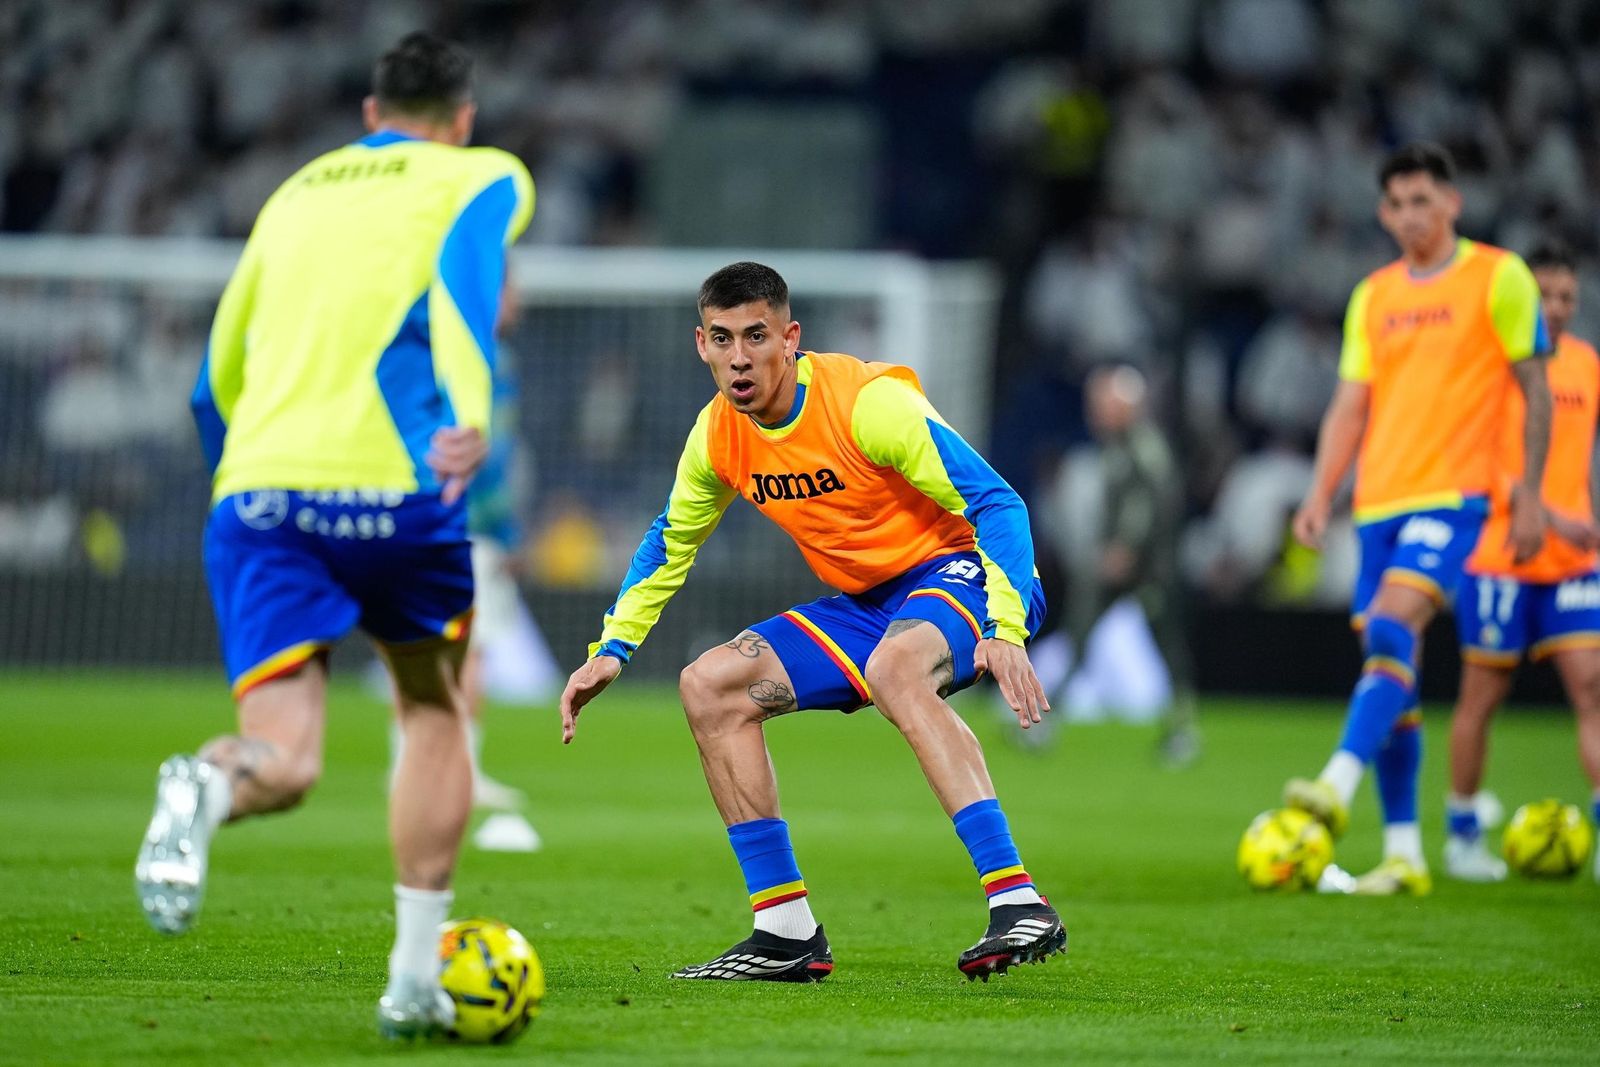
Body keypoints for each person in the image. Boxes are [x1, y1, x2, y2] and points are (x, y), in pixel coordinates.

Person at [132, 32, 534, 1038]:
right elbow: (465, 288)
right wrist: (469, 418)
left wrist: (245, 480)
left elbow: (213, 373)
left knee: (286, 754)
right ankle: (410, 979)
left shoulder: (294, 192)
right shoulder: (482, 173)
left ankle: (210, 782)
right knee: (433, 705)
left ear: (369, 113)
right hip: (397, 487)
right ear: (464, 117)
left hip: (261, 492)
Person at [558, 262, 1064, 982]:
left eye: (757, 335)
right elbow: (669, 540)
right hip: (866, 603)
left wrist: (1005, 628)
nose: (740, 356)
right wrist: (613, 648)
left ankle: (1018, 899)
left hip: (963, 568)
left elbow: (999, 502)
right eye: (723, 338)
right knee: (710, 684)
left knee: (896, 668)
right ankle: (784, 930)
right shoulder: (718, 437)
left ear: (790, 338)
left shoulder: (868, 404)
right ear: (700, 344)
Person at [1285, 142, 1552, 896]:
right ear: (1383, 212)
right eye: (1398, 204)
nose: (1411, 216)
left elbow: (1533, 390)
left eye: (1424, 201)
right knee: (1390, 664)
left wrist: (1527, 493)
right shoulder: (1373, 294)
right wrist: (1320, 492)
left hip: (1456, 496)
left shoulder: (1500, 277)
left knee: (1393, 624)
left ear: (1453, 203)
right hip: (1379, 503)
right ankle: (1404, 850)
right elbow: (1351, 403)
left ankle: (1335, 784)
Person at [1447, 242, 1600, 882]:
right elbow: (1473, 456)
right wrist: (1542, 509)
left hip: (1572, 559)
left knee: (1590, 688)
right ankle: (1461, 835)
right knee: (1482, 696)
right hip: (1499, 554)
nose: (1557, 309)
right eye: (1545, 296)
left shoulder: (1588, 364)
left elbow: (1585, 453)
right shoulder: (1493, 365)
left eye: (1567, 297)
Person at [1060, 363, 1198, 764]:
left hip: (1150, 568)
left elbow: (1150, 505)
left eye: (1103, 403)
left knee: (1166, 646)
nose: (1095, 411)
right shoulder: (1121, 446)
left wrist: (1126, 548)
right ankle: (1044, 716)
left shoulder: (1142, 447)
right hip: (1132, 563)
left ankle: (1183, 728)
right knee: (1081, 630)